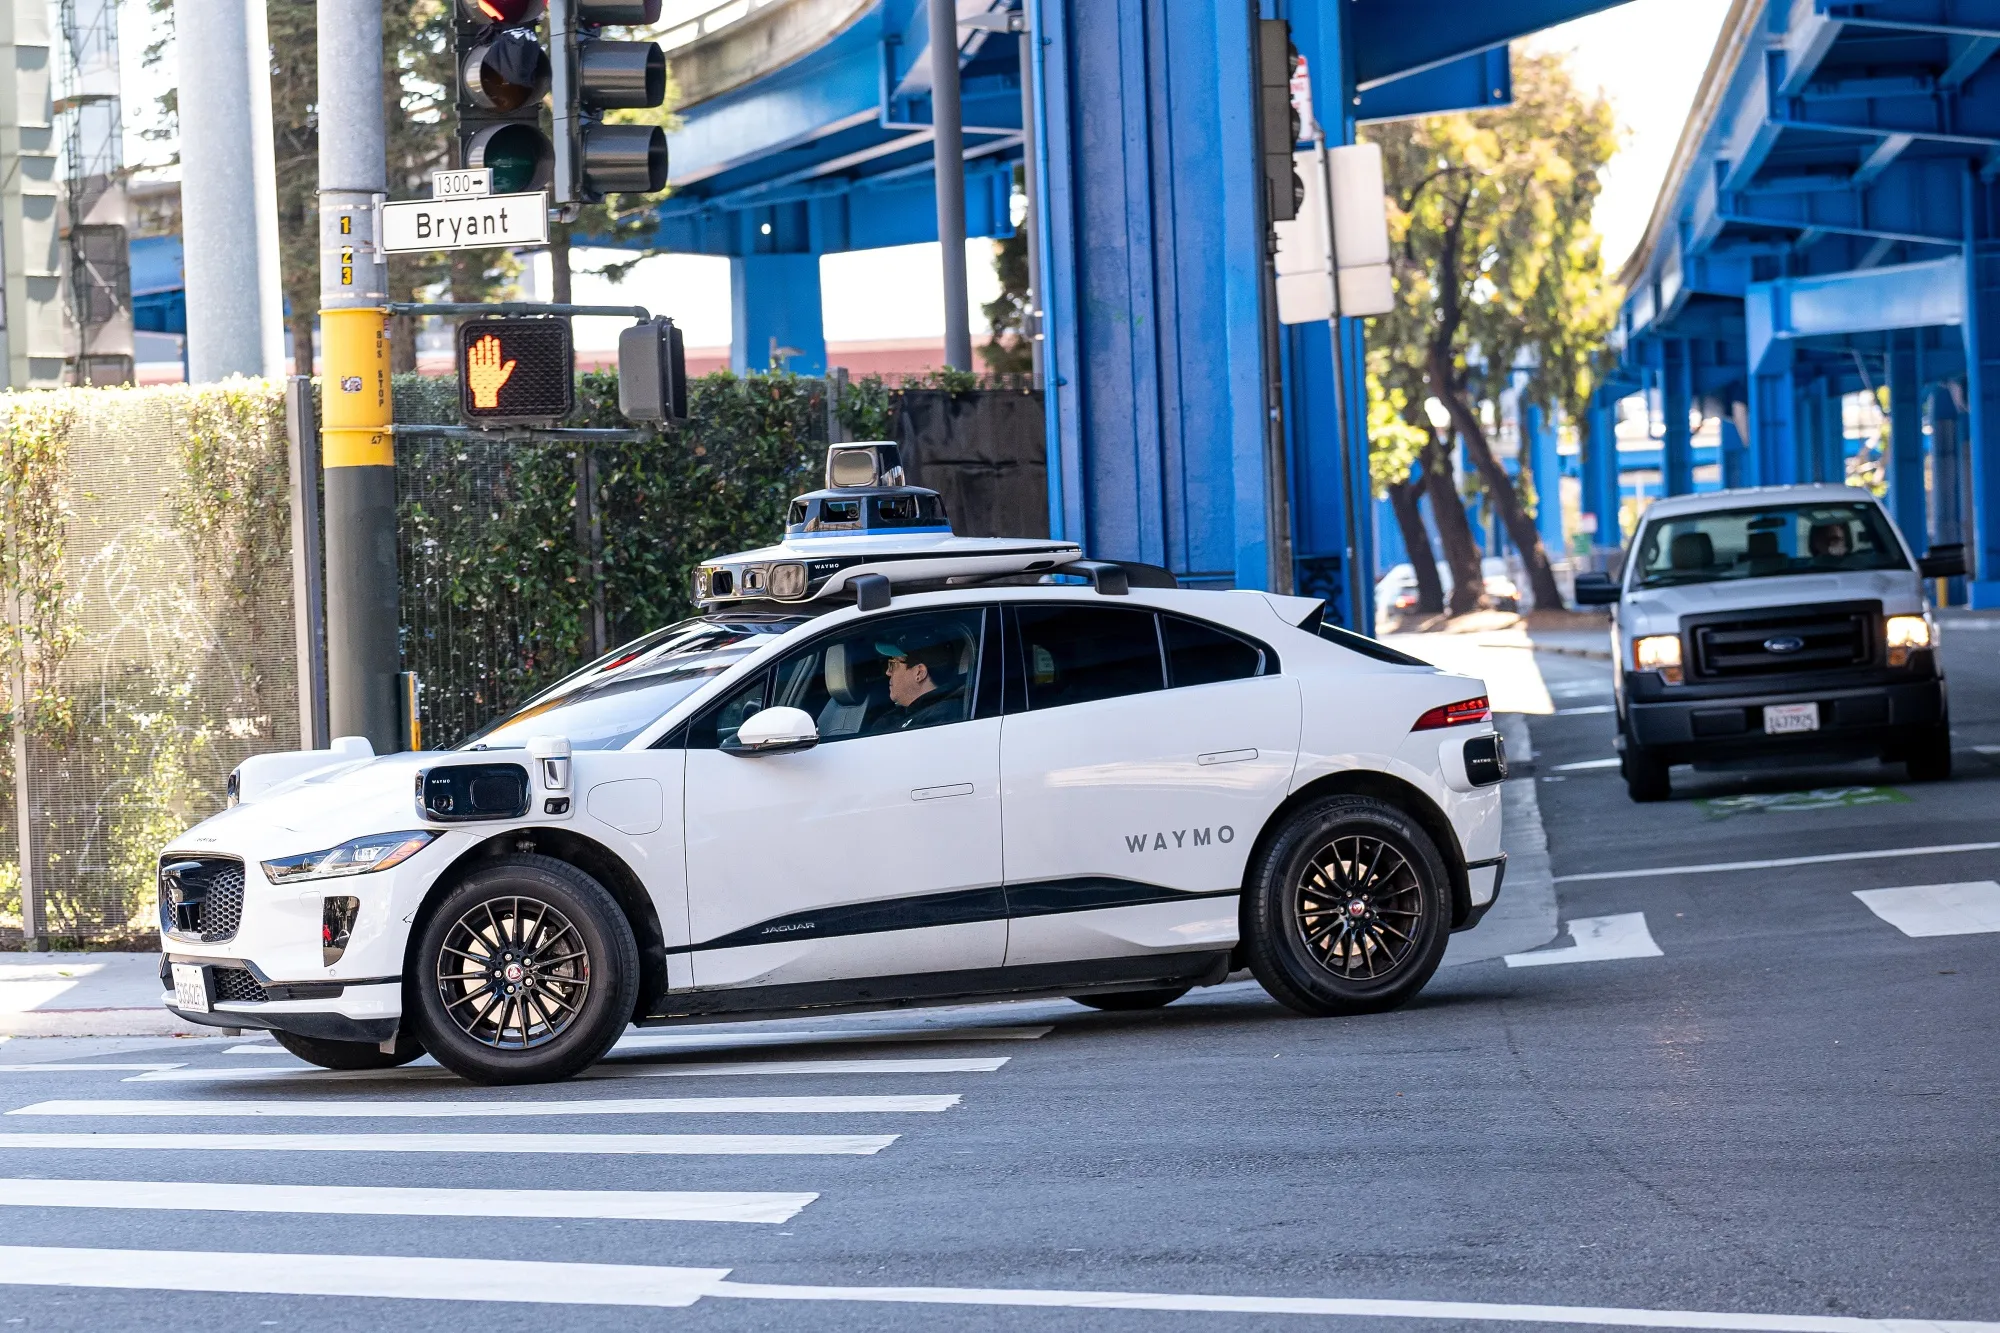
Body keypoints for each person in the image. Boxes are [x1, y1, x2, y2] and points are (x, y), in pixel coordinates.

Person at [867, 631, 966, 734]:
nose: (888, 672)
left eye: (893, 664)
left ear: (919, 673)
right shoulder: (908, 713)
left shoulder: (940, 719)